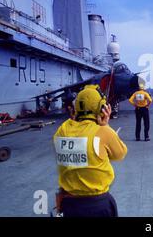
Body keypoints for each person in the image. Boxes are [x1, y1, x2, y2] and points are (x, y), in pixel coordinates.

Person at [53, 84, 127, 217]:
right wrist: (106, 125)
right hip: (97, 205)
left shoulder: (62, 130)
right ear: (102, 108)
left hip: (68, 204)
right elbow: (120, 154)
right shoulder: (102, 131)